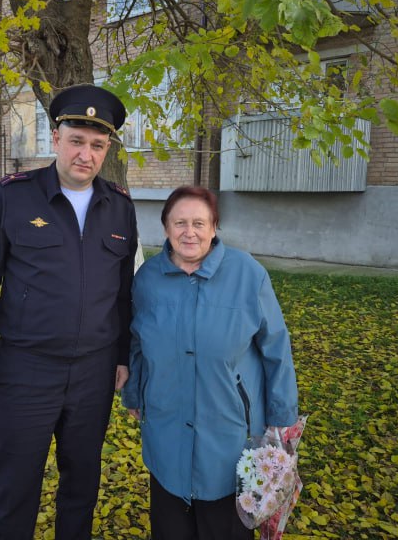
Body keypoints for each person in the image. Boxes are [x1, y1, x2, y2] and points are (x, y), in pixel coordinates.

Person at [0, 84, 138, 540]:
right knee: (15, 486)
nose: (85, 154)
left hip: (93, 374)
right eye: (77, 140)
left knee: (82, 485)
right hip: (27, 369)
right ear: (56, 138)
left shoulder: (120, 208)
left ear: (107, 148)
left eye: (97, 145)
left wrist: (122, 356)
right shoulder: (16, 196)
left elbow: (123, 294)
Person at [122, 186, 298, 540]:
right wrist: (134, 396)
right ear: (166, 228)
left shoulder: (247, 274)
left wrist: (282, 420)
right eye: (180, 223)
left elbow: (276, 348)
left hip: (231, 437)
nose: (190, 232)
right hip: (166, 430)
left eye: (199, 223)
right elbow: (137, 343)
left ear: (214, 227)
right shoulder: (148, 280)